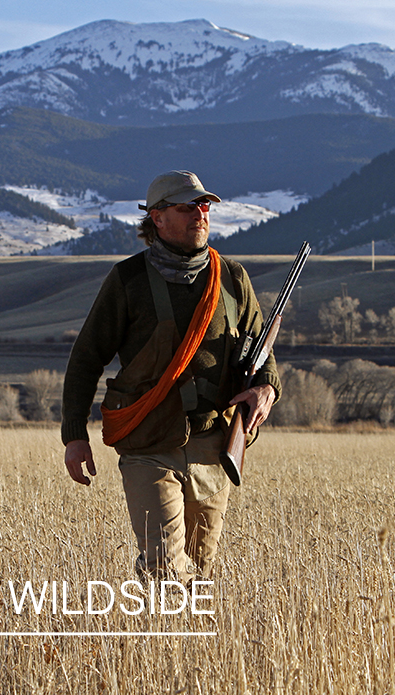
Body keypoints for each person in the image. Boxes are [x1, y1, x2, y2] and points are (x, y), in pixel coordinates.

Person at [61, 170, 281, 584]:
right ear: (157, 218)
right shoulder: (127, 280)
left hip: (214, 445)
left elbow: (263, 351)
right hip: (148, 442)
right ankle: (155, 638)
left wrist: (267, 388)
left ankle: (182, 650)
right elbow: (86, 358)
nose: (201, 213)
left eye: (204, 206)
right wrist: (74, 434)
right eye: (187, 207)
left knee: (200, 568)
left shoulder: (232, 278)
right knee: (164, 568)